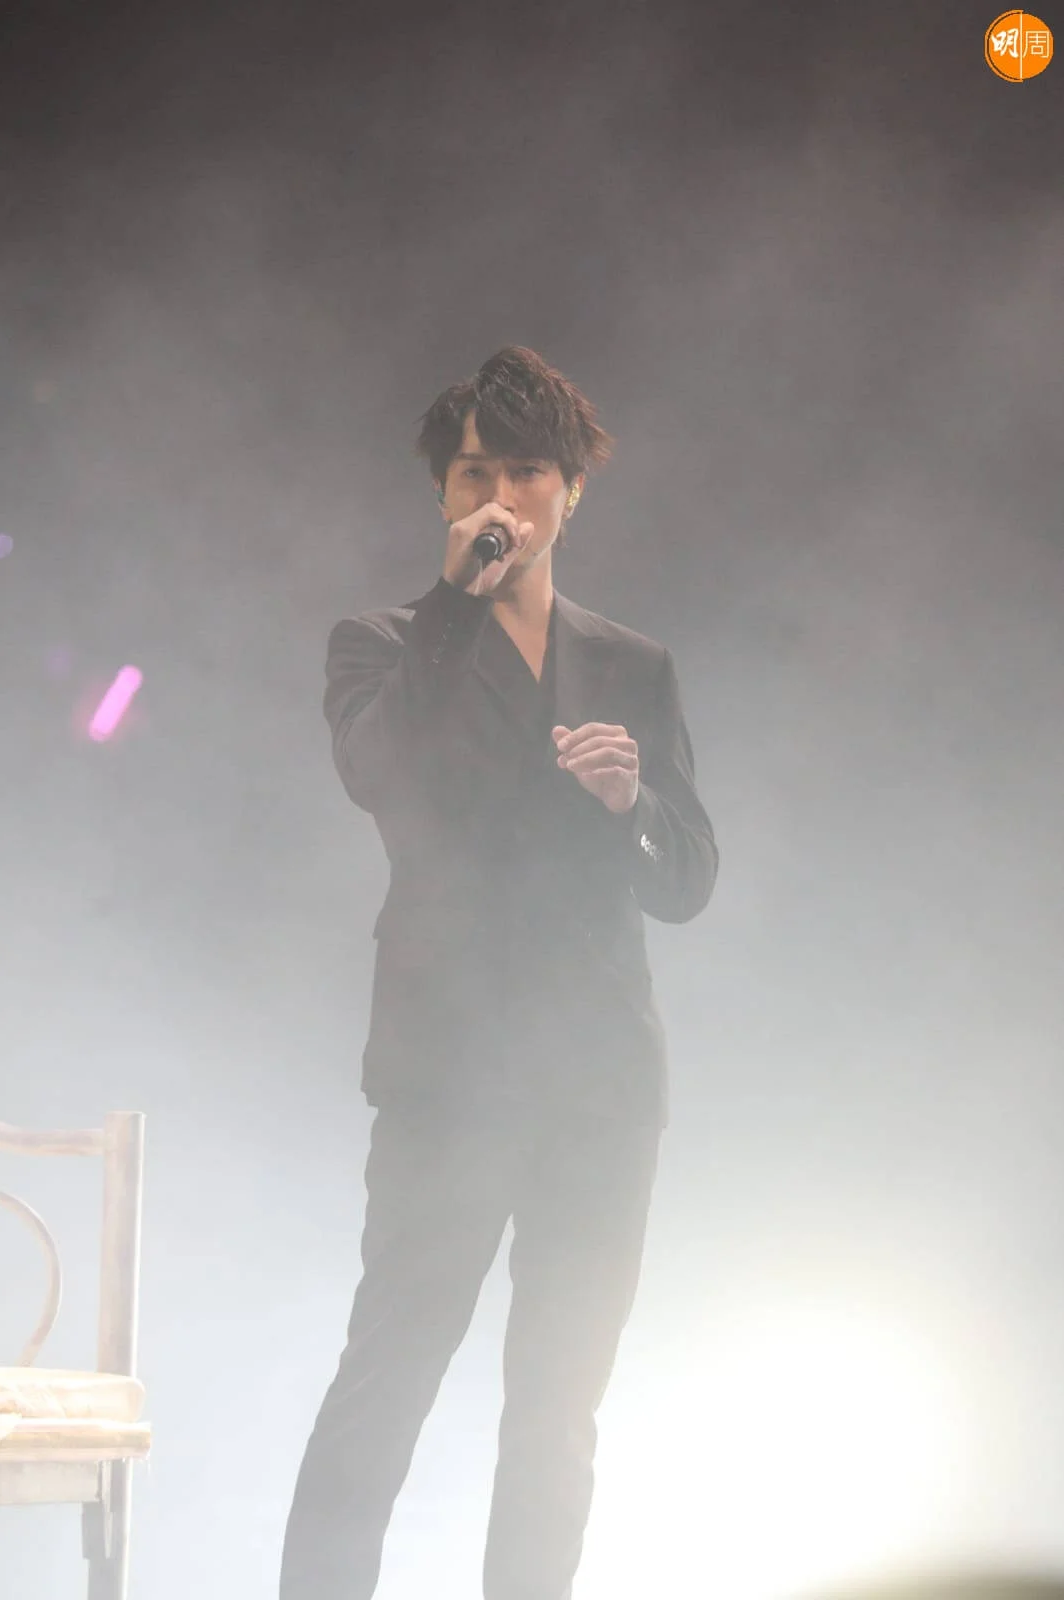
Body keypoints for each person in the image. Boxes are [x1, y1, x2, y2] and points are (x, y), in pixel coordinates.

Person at [279, 345, 718, 1600]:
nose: (502, 497)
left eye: (527, 471)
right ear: (443, 494)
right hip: (449, 1078)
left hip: (600, 1087)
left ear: (570, 490)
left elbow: (687, 876)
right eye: (476, 472)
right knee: (388, 1382)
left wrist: (632, 805)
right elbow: (375, 774)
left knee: (556, 1415)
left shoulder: (632, 664)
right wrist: (456, 603)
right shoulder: (384, 643)